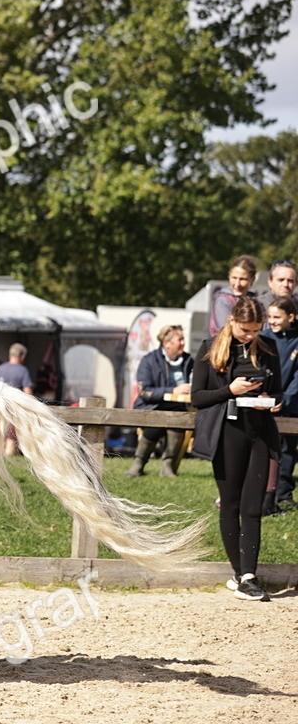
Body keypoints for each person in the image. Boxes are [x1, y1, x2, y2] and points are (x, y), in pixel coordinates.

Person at [191, 296, 282, 602]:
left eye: (256, 330)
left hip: (260, 433)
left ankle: (248, 575)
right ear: (232, 321)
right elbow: (198, 397)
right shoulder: (210, 347)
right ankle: (239, 573)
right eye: (246, 329)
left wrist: (274, 400)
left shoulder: (268, 349)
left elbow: (278, 390)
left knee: (253, 507)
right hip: (227, 433)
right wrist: (230, 390)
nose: (250, 335)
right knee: (230, 504)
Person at [128, 325, 194, 478]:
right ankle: (139, 463)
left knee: (177, 421)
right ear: (166, 342)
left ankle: (167, 466)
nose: (183, 343)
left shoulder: (189, 360)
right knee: (158, 423)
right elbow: (144, 391)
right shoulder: (149, 360)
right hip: (152, 406)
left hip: (179, 407)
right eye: (180, 339)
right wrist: (173, 390)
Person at [262, 295, 297, 514]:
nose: (272, 321)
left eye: (277, 317)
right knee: (265, 450)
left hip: (292, 405)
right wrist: (266, 396)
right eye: (270, 317)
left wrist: (285, 400)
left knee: (287, 450)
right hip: (265, 402)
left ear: (291, 317)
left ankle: (283, 494)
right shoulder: (263, 337)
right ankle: (265, 496)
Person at [0, 343, 34, 456]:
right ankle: (8, 454)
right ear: (22, 356)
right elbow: (28, 393)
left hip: (0, 407)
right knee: (11, 435)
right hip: (15, 408)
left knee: (0, 433)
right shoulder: (23, 371)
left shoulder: (0, 369)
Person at [209, 255, 257, 337]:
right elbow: (227, 330)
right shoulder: (223, 300)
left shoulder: (254, 300)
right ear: (229, 277)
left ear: (252, 279)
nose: (237, 284)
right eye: (234, 278)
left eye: (242, 279)